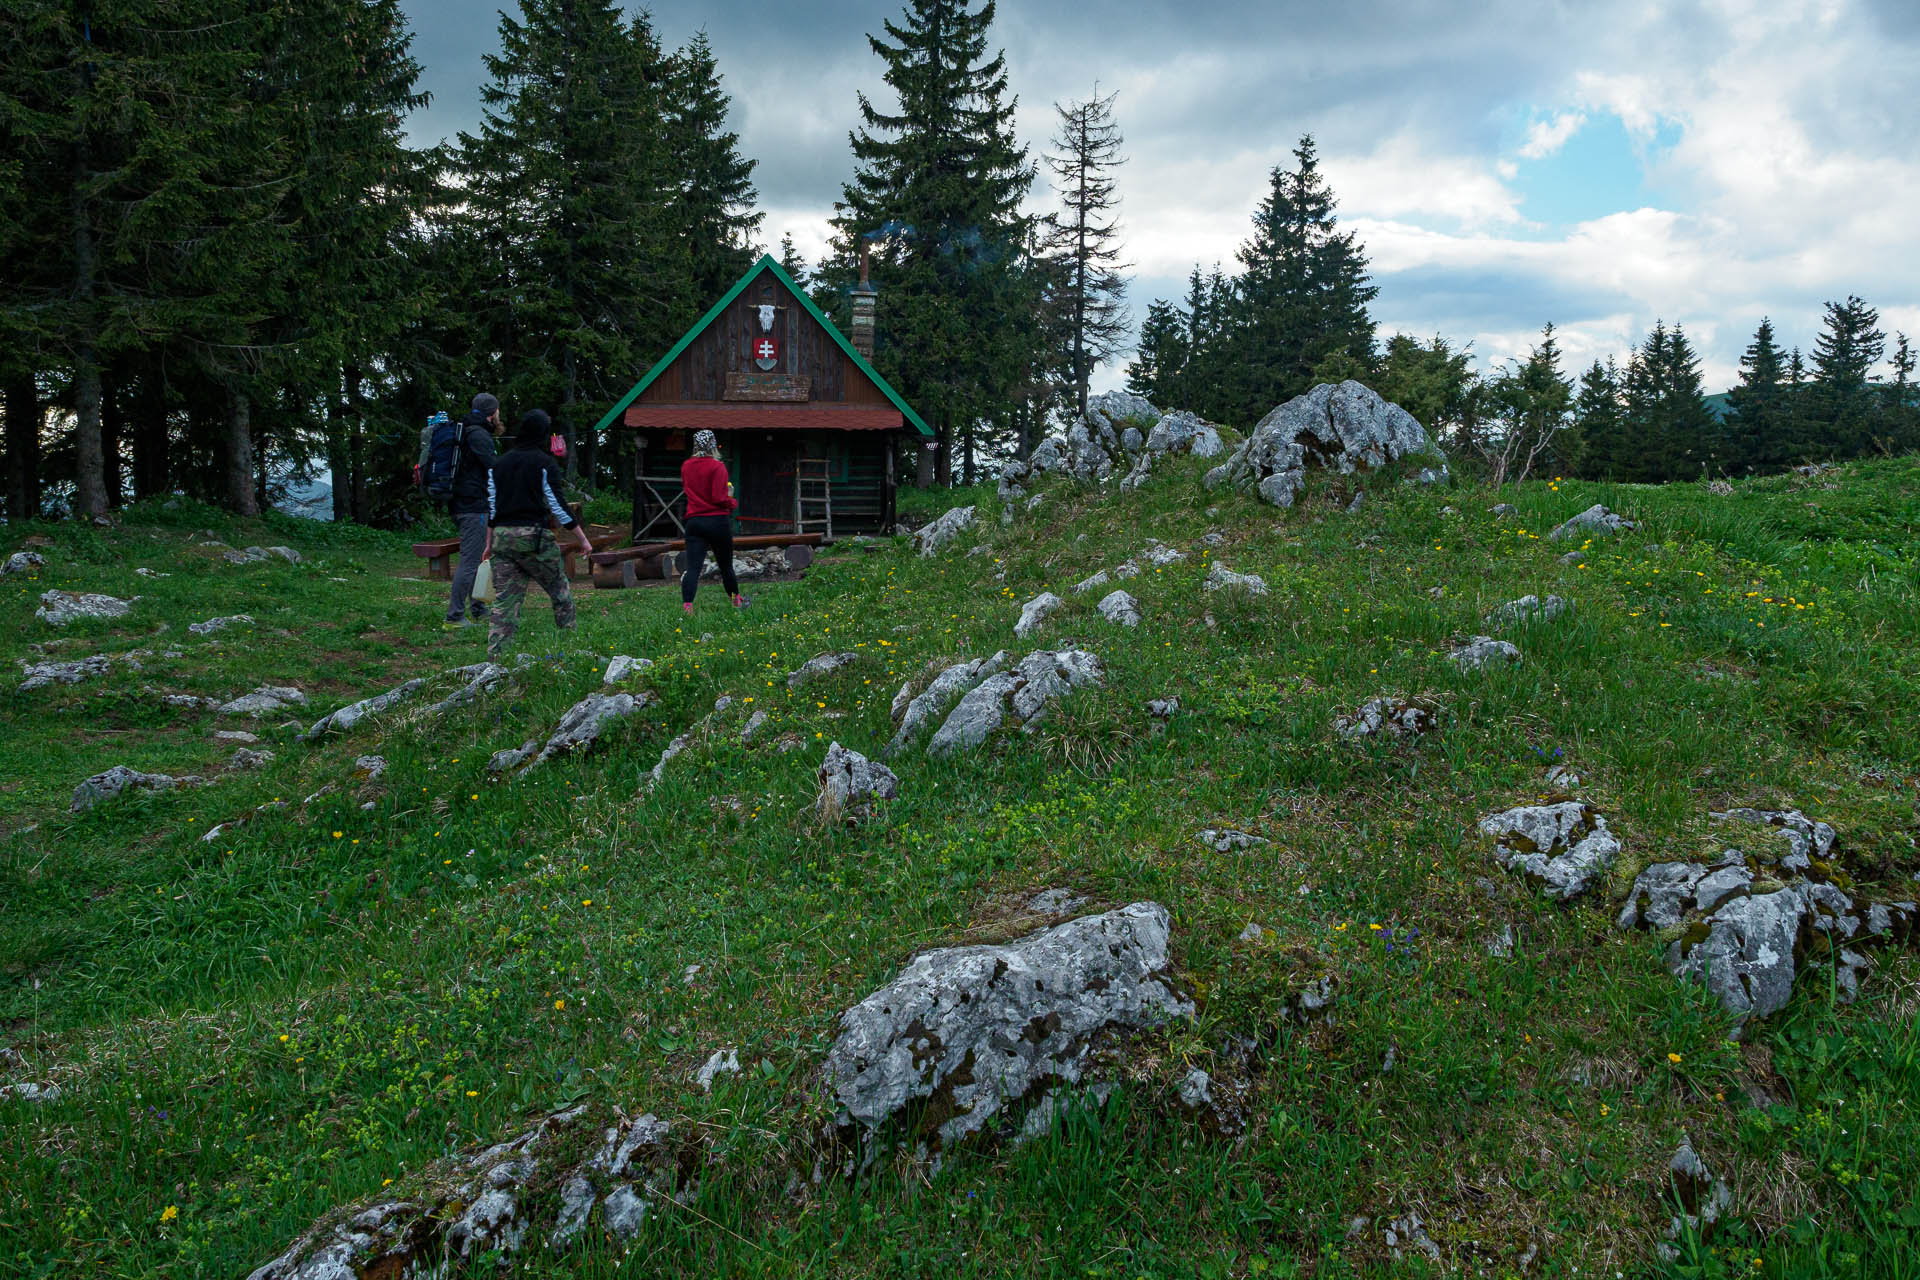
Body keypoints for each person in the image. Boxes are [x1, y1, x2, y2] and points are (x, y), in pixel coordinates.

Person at [485, 409, 590, 661]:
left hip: (502, 538)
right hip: (533, 538)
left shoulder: (498, 465)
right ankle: (571, 648)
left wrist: (488, 544)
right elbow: (557, 506)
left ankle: (496, 659)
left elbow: (491, 507)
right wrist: (582, 539)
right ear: (542, 434)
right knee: (559, 591)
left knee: (505, 600)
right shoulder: (544, 463)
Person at [445, 393, 502, 629]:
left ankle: (478, 609)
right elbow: (495, 468)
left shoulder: (467, 430)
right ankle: (455, 617)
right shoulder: (478, 435)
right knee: (470, 561)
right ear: (492, 413)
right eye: (498, 411)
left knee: (478, 557)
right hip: (473, 505)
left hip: (462, 503)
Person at [679, 429, 747, 615]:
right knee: (726, 566)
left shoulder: (686, 466)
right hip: (717, 521)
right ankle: (737, 602)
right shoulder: (717, 467)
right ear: (713, 445)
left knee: (693, 568)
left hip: (694, 521)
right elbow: (718, 498)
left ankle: (687, 607)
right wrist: (732, 500)